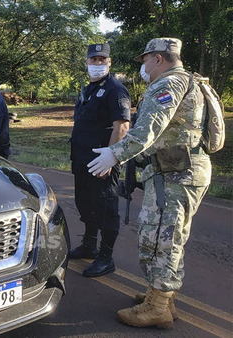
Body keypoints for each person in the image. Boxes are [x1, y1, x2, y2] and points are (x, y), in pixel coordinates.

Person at [87, 38, 211, 328]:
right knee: (170, 236)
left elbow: (147, 131)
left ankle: (157, 306)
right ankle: (163, 296)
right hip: (180, 170)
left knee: (161, 239)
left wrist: (114, 154)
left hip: (176, 174)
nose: (143, 67)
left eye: (144, 61)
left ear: (157, 59)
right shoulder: (189, 80)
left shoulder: (168, 84)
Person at [68, 43, 131, 278]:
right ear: (86, 62)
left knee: (105, 207)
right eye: (93, 60)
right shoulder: (89, 88)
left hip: (102, 161)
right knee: (84, 203)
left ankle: (106, 256)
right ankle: (89, 245)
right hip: (82, 159)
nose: (97, 64)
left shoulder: (116, 90)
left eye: (101, 60)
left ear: (109, 62)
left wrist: (111, 158)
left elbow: (122, 127)